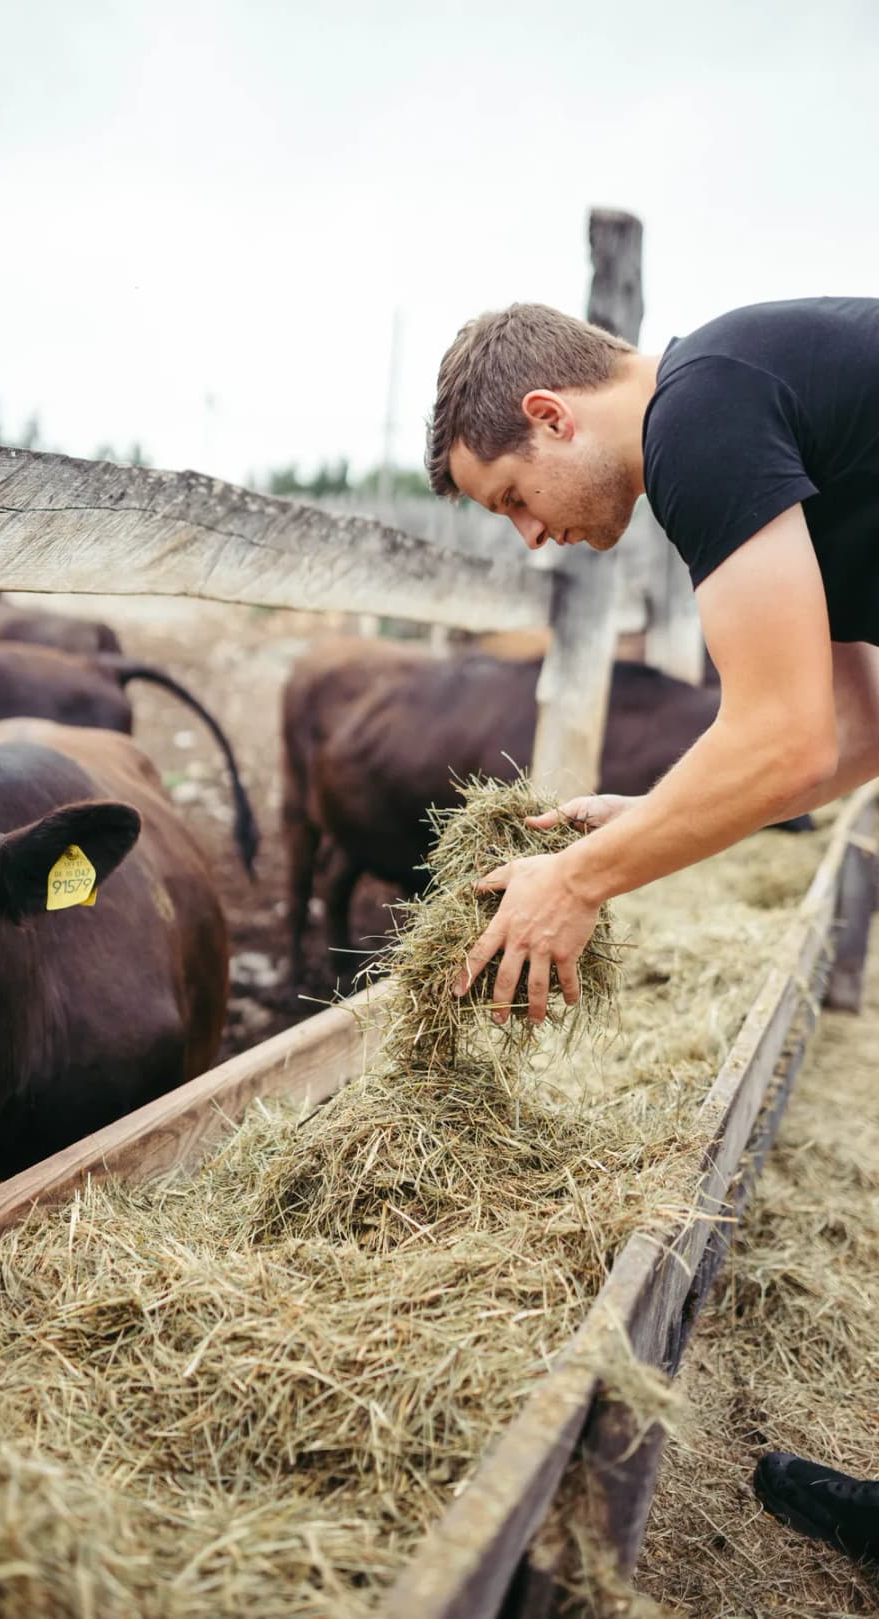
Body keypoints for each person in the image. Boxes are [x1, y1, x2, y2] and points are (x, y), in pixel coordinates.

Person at [426, 296, 879, 1563]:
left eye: (512, 495)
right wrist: (658, 809)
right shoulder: (754, 412)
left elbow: (788, 737)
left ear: (550, 414)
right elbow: (847, 730)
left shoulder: (702, 411)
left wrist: (581, 879)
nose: (529, 539)